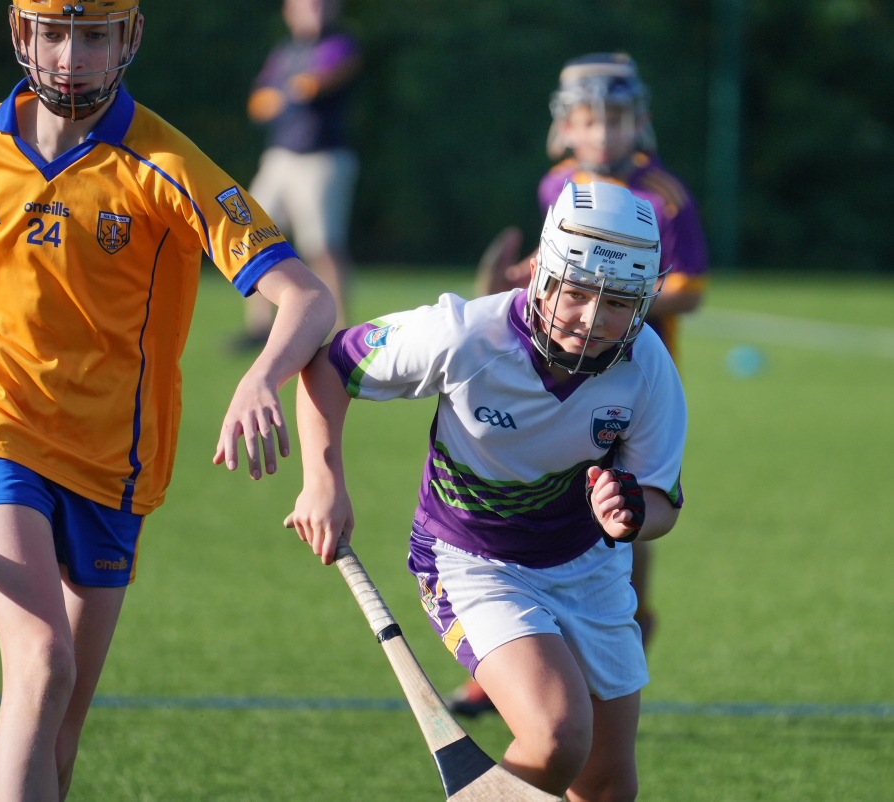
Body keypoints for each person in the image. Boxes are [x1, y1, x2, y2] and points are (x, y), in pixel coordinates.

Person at [0, 2, 335, 800]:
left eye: (93, 35)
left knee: (61, 725)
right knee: (41, 660)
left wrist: (258, 375)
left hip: (116, 465)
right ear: (22, 33)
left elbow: (306, 297)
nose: (72, 56)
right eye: (55, 33)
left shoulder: (167, 163)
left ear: (128, 38)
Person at [289, 181, 688, 801]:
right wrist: (324, 483)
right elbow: (331, 366)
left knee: (607, 785)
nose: (593, 318)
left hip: (590, 569)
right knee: (556, 735)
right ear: (544, 275)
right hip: (473, 559)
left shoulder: (648, 366)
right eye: (579, 293)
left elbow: (662, 501)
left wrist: (632, 514)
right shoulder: (465, 335)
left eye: (618, 303)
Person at [461, 52, 709, 716]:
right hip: (555, 373)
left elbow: (690, 291)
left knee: (626, 512)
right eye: (589, 120)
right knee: (529, 505)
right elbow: (558, 260)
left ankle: (628, 625)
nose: (603, 134)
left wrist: (618, 299)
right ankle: (500, 654)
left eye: (617, 120)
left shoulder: (665, 195)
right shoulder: (556, 186)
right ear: (564, 127)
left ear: (641, 124)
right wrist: (524, 279)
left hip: (634, 382)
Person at [237, 0, 361, 348]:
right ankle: (260, 327)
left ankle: (344, 332)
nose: (317, 10)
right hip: (280, 157)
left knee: (323, 245)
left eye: (323, 5)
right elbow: (258, 104)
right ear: (290, 10)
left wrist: (286, 92)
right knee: (254, 236)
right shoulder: (285, 52)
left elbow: (315, 85)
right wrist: (291, 90)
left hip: (323, 159)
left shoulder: (341, 45)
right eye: (309, 5)